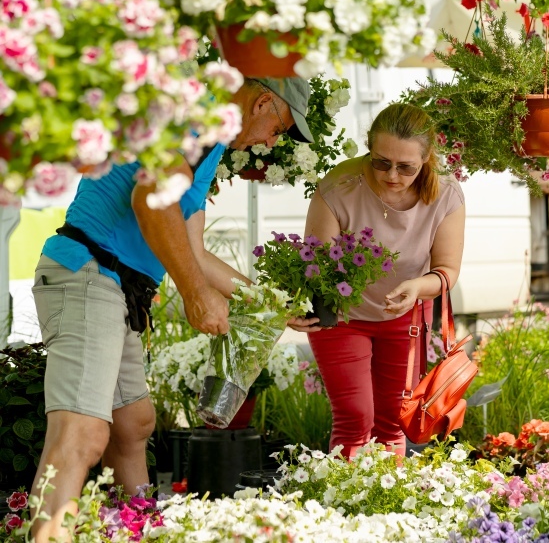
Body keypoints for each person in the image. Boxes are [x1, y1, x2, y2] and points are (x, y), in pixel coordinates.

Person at [30, 76, 319, 543]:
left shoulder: (210, 145)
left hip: (116, 288)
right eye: (279, 129)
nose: (270, 143)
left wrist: (270, 305)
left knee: (133, 425)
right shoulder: (196, 118)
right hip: (87, 273)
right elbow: (150, 202)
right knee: (82, 435)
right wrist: (194, 294)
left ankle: (142, 533)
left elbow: (196, 251)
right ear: (263, 101)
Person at [304, 103, 465, 459]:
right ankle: (344, 507)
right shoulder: (339, 186)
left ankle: (386, 507)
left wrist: (418, 288)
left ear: (426, 158)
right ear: (369, 149)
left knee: (393, 421)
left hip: (405, 315)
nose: (392, 175)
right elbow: (316, 265)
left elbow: (447, 270)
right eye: (381, 162)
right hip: (343, 316)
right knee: (354, 416)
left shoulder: (446, 195)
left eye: (406, 167)